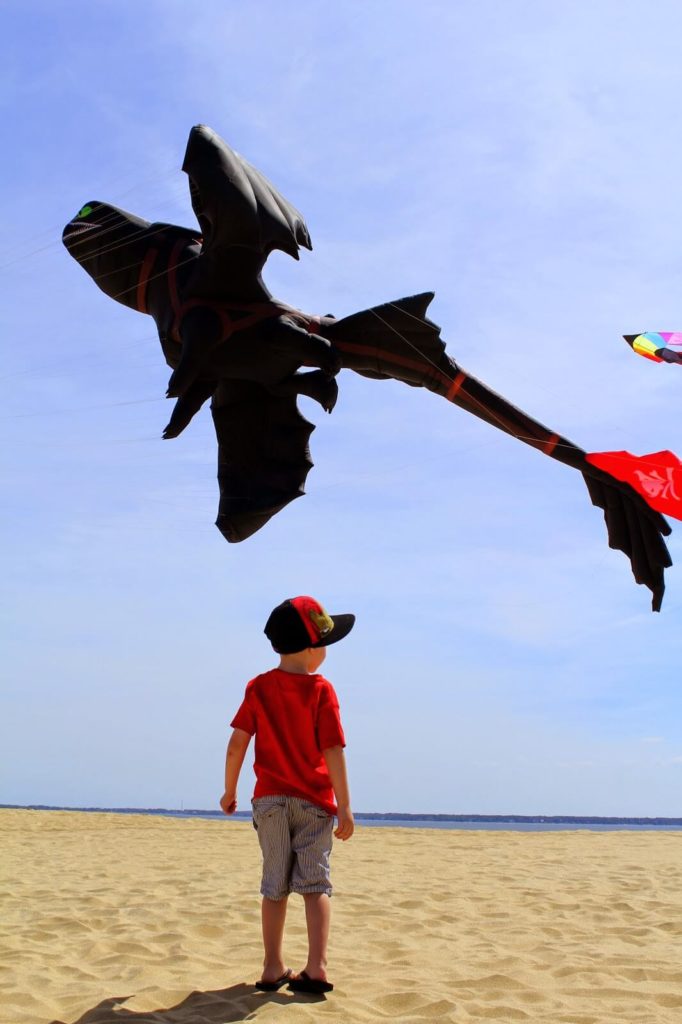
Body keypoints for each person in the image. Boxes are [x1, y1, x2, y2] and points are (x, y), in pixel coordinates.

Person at [220, 595, 355, 995]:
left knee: (274, 884)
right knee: (315, 885)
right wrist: (344, 804)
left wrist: (230, 789)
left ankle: (272, 966)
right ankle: (316, 967)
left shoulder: (259, 687)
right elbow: (333, 750)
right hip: (314, 803)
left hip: (270, 802)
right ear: (313, 648)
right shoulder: (321, 691)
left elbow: (237, 743)